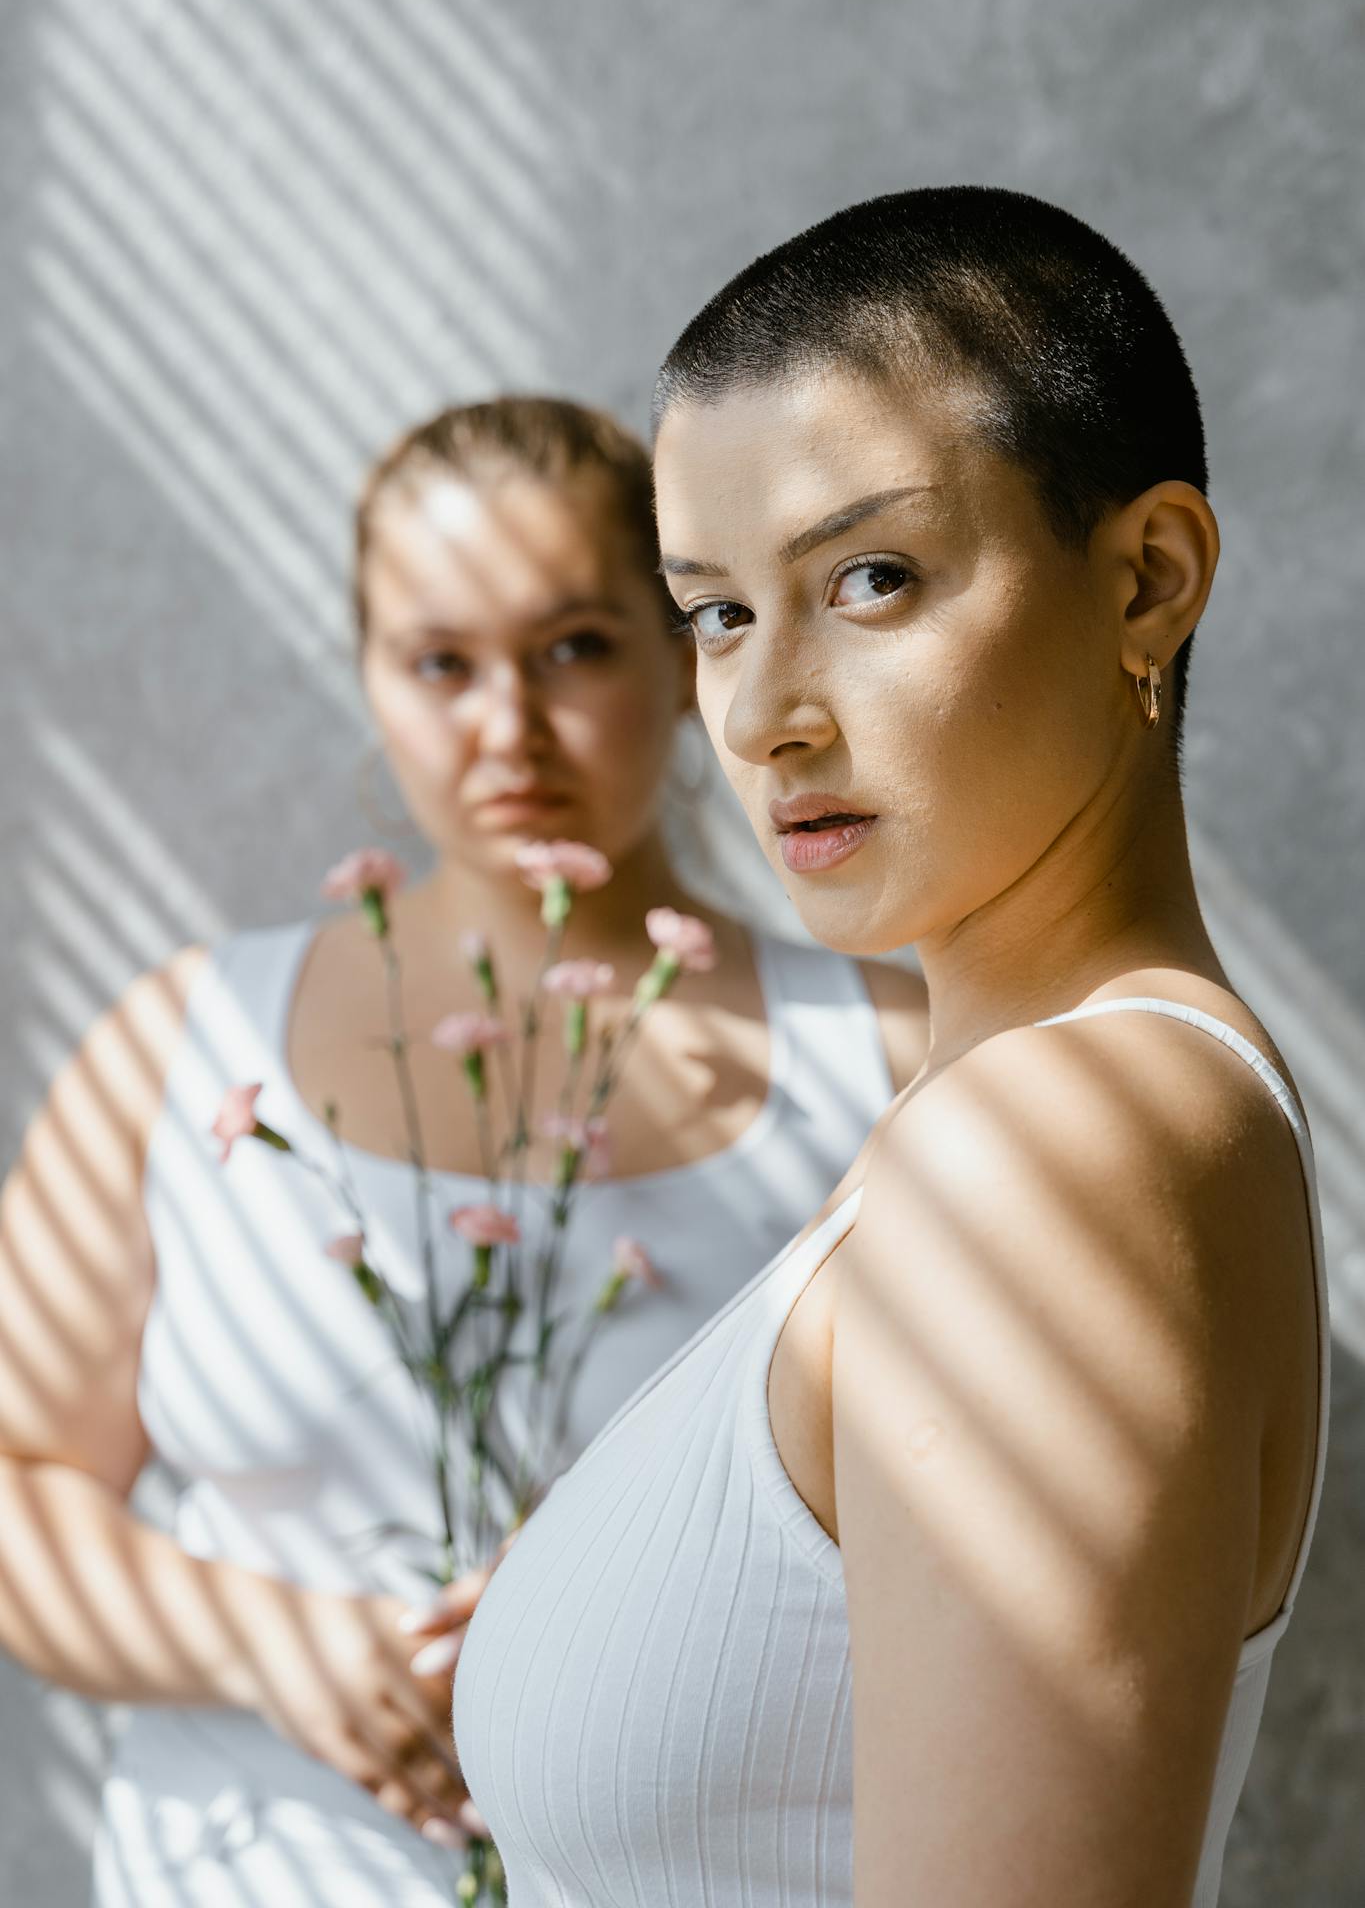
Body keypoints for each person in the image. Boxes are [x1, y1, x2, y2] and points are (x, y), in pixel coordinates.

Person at [450, 195, 1329, 1907]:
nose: (767, 711)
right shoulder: (1026, 1117)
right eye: (713, 612)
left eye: (870, 578)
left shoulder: (1054, 1155)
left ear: (1146, 577)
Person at [0, 396, 929, 1906]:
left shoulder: (887, 1056)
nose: (507, 729)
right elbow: (20, 1480)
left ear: (686, 653)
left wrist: (628, 1620)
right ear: (371, 677)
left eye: (574, 648)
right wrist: (264, 1640)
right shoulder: (189, 1041)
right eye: (440, 665)